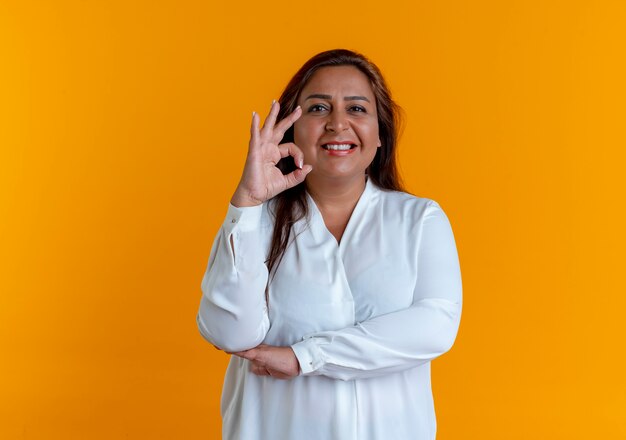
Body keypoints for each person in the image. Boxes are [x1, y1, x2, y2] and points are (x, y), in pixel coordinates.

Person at [196, 49, 462, 440]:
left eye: (357, 109)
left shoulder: (419, 221)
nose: (338, 123)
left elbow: (435, 325)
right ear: (292, 129)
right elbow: (229, 333)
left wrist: (305, 357)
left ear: (380, 135)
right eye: (319, 108)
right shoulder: (259, 221)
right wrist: (247, 203)